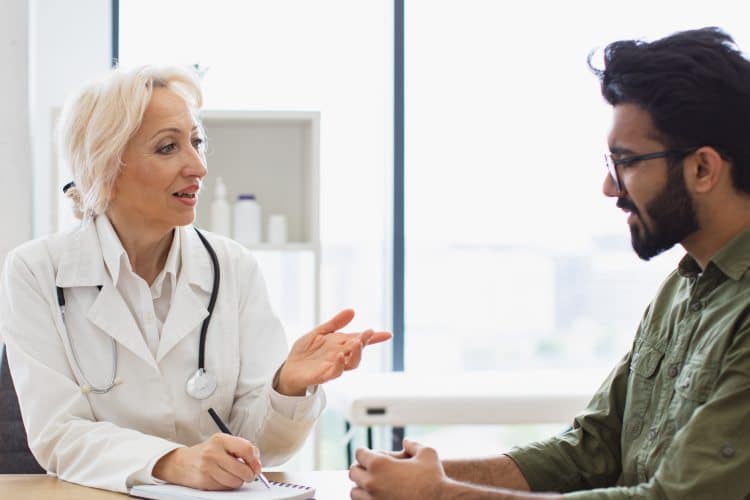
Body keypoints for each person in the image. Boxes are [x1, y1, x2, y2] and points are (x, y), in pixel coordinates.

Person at [350, 26, 750, 500]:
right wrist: (418, 476)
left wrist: (439, 495)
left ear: (703, 169)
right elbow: (588, 452)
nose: (610, 187)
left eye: (626, 162)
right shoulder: (682, 288)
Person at [0, 65, 391, 493]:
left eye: (197, 142)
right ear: (106, 167)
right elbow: (58, 435)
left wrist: (288, 387)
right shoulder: (37, 272)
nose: (198, 166)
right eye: (168, 147)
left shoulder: (232, 267)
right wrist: (171, 462)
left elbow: (260, 448)